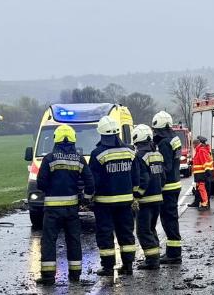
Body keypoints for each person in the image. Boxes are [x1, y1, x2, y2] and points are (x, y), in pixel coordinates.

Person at [35, 124, 94, 284]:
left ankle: (48, 277)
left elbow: (41, 183)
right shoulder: (79, 159)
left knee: (49, 241)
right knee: (73, 240)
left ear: (56, 139)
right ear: (73, 139)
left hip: (52, 210)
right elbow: (90, 182)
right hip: (71, 209)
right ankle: (75, 276)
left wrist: (51, 189)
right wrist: (85, 199)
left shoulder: (49, 158)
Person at [89, 115, 139, 277]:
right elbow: (136, 176)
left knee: (105, 234)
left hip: (104, 203)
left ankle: (108, 267)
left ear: (101, 133)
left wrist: (89, 197)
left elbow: (94, 180)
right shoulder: (130, 151)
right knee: (126, 233)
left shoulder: (97, 154)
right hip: (126, 202)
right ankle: (128, 265)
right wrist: (134, 194)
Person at [131, 124, 165, 270]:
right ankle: (155, 257)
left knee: (143, 231)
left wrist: (136, 196)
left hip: (145, 201)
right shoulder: (157, 155)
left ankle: (152, 261)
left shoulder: (139, 156)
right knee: (151, 229)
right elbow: (163, 177)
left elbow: (143, 179)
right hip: (157, 199)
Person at [151, 111, 183, 264]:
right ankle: (173, 252)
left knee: (168, 220)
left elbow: (166, 166)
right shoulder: (174, 138)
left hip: (168, 187)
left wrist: (155, 177)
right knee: (171, 219)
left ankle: (174, 254)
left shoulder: (164, 143)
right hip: (175, 183)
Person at [191, 135, 214, 211]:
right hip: (200, 174)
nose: (193, 147)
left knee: (202, 189)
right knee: (200, 189)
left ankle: (205, 204)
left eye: (193, 145)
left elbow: (205, 161)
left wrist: (207, 171)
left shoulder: (201, 150)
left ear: (195, 144)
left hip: (201, 174)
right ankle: (201, 203)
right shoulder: (200, 150)